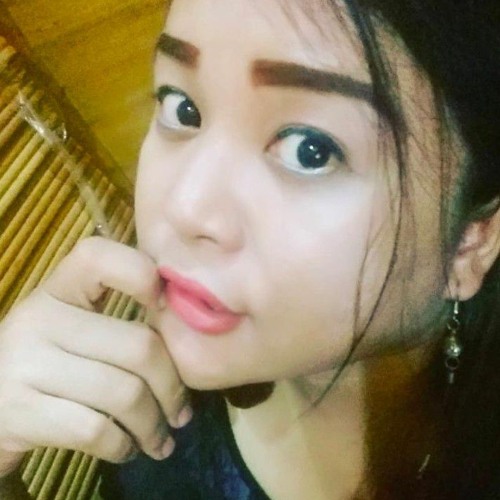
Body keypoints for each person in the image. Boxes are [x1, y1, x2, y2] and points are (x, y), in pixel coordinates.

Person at [1, 0, 499, 498]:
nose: (185, 206)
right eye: (182, 108)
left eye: (310, 150)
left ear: (472, 242)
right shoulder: (149, 382)